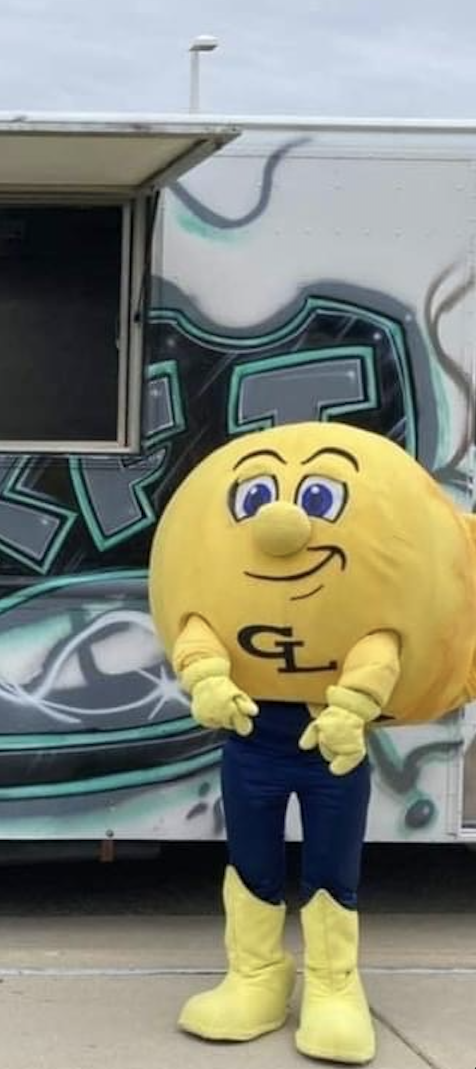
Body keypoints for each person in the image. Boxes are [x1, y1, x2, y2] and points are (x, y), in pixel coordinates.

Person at [148, 420, 476, 1066]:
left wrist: (353, 707)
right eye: (258, 497)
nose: (281, 523)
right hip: (251, 741)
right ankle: (256, 976)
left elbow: (380, 649)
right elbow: (195, 632)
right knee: (251, 862)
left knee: (332, 868)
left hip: (334, 748)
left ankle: (333, 985)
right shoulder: (217, 561)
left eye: (318, 500)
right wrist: (207, 679)